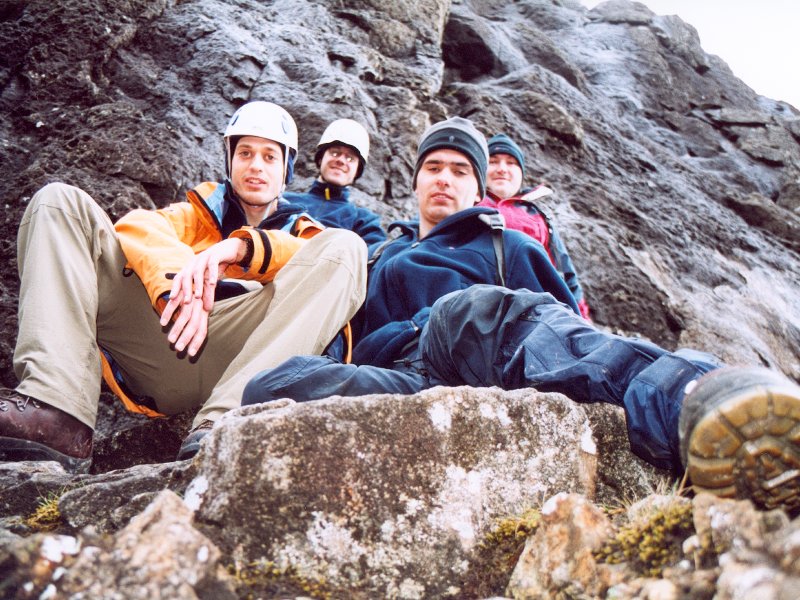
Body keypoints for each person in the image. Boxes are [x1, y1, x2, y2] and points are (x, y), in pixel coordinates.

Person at [242, 116, 800, 513]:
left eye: (460, 171)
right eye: (432, 167)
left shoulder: (511, 247)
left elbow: (564, 332)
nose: (443, 178)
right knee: (275, 383)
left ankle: (692, 400)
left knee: (469, 309)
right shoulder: (382, 254)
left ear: (479, 188)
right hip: (403, 374)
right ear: (412, 182)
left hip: (479, 346)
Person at [0, 101, 367, 472]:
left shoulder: (308, 233)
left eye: (270, 156)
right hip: (164, 340)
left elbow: (321, 258)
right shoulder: (194, 215)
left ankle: (226, 422)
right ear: (230, 161)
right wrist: (179, 286)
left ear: (286, 169)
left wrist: (241, 247)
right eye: (245, 153)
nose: (256, 165)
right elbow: (137, 228)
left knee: (347, 247)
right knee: (60, 201)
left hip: (250, 355)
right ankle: (58, 411)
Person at [478, 133, 591, 320]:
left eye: (511, 163)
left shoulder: (539, 215)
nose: (502, 169)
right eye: (493, 161)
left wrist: (583, 322)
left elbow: (566, 275)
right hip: (479, 310)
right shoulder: (466, 203)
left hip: (537, 315)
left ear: (521, 173)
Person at [284, 119, 386, 245]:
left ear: (357, 171)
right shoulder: (286, 202)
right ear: (321, 158)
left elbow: (374, 256)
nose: (341, 161)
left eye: (350, 158)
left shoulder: (364, 221)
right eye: (335, 153)